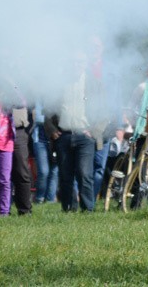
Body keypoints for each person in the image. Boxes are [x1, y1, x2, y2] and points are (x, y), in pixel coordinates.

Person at [45, 51, 100, 212]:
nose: (76, 65)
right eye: (73, 62)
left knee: (84, 174)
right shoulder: (58, 84)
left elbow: (105, 111)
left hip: (85, 135)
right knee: (65, 175)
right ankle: (68, 208)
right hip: (64, 135)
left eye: (80, 62)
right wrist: (52, 130)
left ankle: (87, 209)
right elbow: (47, 110)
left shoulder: (94, 84)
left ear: (86, 64)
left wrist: (95, 131)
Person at [0, 102, 13, 216]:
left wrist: (10, 83)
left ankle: (4, 212)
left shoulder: (8, 95)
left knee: (4, 180)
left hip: (5, 144)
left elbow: (22, 102)